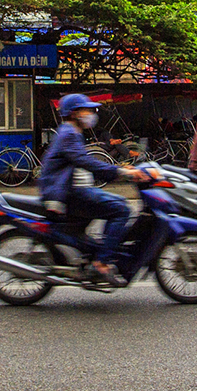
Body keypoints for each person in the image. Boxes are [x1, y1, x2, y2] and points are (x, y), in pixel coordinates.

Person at [38, 93, 148, 287]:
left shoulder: (71, 131)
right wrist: (121, 172)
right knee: (121, 210)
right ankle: (102, 262)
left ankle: (104, 250)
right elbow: (87, 162)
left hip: (74, 189)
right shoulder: (69, 133)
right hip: (70, 193)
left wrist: (121, 169)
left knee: (119, 203)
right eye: (86, 110)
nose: (91, 114)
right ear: (74, 114)